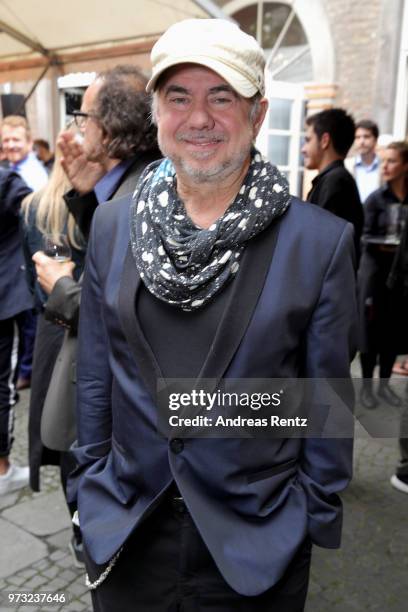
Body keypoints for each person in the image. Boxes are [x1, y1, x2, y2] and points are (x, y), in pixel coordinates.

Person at [71, 19, 357, 612]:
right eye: (179, 97)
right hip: (126, 529)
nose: (199, 118)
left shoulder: (320, 243)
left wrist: (310, 513)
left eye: (221, 97)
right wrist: (86, 489)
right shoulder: (111, 226)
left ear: (257, 115)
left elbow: (326, 397)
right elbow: (96, 373)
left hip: (255, 541)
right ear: (157, 113)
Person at [58, 64, 161, 237]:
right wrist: (87, 197)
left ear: (107, 129)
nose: (81, 128)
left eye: (84, 117)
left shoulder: (130, 200)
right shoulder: (148, 176)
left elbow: (110, 261)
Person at [358, 141, 408, 409]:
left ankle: (385, 386)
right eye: (384, 161)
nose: (385, 166)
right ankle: (366, 389)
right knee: (371, 332)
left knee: (393, 330)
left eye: (392, 161)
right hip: (374, 273)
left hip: (399, 275)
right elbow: (362, 236)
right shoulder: (376, 199)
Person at [1, 115, 48, 391]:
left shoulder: (31, 174)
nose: (10, 145)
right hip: (16, 269)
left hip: (26, 265)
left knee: (30, 329)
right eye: (6, 140)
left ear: (29, 143)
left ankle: (27, 372)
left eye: (16, 139)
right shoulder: (10, 169)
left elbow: (38, 216)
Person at [0, 168, 32, 495]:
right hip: (4, 296)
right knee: (2, 384)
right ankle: (2, 470)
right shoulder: (5, 180)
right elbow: (36, 210)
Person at [302, 108, 364, 260]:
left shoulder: (335, 182)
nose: (303, 149)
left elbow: (321, 244)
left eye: (308, 140)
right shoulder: (334, 179)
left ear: (324, 141)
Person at [345, 119, 381, 203]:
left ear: (375, 139)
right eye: (358, 137)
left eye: (366, 136)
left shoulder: (384, 166)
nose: (361, 142)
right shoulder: (347, 165)